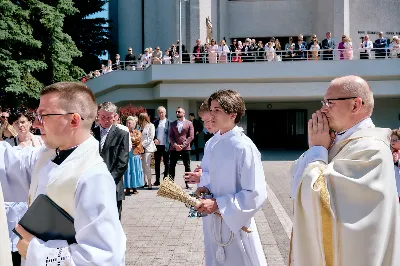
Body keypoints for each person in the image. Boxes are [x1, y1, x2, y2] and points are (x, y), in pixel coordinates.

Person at [0, 82, 126, 264]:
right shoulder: (46, 155)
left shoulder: (94, 177)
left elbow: (104, 256)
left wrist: (36, 252)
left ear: (73, 120)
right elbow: (9, 161)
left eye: (43, 116)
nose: (35, 124)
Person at [290, 76, 400, 266]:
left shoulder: (370, 149)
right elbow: (295, 185)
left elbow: (320, 196)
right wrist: (317, 148)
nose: (323, 109)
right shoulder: (339, 141)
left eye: (329, 102)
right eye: (323, 102)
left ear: (355, 105)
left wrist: (317, 150)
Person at [195, 90, 268, 266]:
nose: (211, 115)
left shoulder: (243, 146)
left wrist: (219, 203)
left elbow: (255, 193)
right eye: (211, 109)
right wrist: (206, 187)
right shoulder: (213, 143)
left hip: (234, 221)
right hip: (215, 218)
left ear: (233, 114)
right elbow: (218, 178)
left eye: (217, 110)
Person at [5, 107, 43, 265]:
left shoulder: (40, 141)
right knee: (15, 240)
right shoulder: (7, 144)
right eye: (16, 123)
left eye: (23, 122)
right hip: (15, 199)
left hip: (36, 196)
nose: (20, 126)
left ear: (29, 123)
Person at [93, 102, 129, 221]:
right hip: (92, 185)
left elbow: (122, 163)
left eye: (109, 117)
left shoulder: (122, 134)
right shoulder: (90, 133)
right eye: (103, 117)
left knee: (113, 222)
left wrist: (107, 180)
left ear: (114, 117)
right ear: (98, 115)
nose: (106, 120)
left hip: (113, 184)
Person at [168, 107, 194, 189]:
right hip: (174, 148)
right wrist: (175, 145)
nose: (177, 113)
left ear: (184, 113)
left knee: (187, 166)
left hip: (185, 148)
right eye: (176, 112)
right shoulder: (172, 124)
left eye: (179, 112)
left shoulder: (189, 123)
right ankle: (171, 183)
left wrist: (183, 145)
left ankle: (188, 183)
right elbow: (170, 136)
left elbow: (191, 136)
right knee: (171, 166)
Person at [124, 116, 144, 195]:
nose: (128, 124)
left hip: (135, 154)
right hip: (127, 154)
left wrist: (129, 138)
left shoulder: (138, 132)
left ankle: (135, 187)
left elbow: (137, 140)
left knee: (135, 170)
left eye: (129, 123)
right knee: (127, 171)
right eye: (127, 123)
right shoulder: (124, 132)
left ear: (134, 124)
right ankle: (128, 188)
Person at [138, 112, 157, 189]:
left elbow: (150, 137)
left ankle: (149, 182)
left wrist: (142, 145)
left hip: (147, 148)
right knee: (141, 166)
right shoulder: (139, 127)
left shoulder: (151, 126)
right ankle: (143, 181)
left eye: (141, 118)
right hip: (139, 149)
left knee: (146, 165)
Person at [153, 106, 171, 186]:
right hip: (157, 146)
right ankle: (157, 180)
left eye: (162, 112)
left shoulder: (169, 122)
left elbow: (171, 134)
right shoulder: (155, 123)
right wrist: (155, 139)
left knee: (166, 163)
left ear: (165, 113)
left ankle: (165, 180)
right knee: (157, 163)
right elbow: (153, 134)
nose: (161, 114)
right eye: (159, 112)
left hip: (166, 145)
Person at [391, 129, 400, 202]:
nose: (392, 142)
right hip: (395, 186)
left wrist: (397, 162)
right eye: (391, 140)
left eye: (395, 140)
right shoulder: (392, 153)